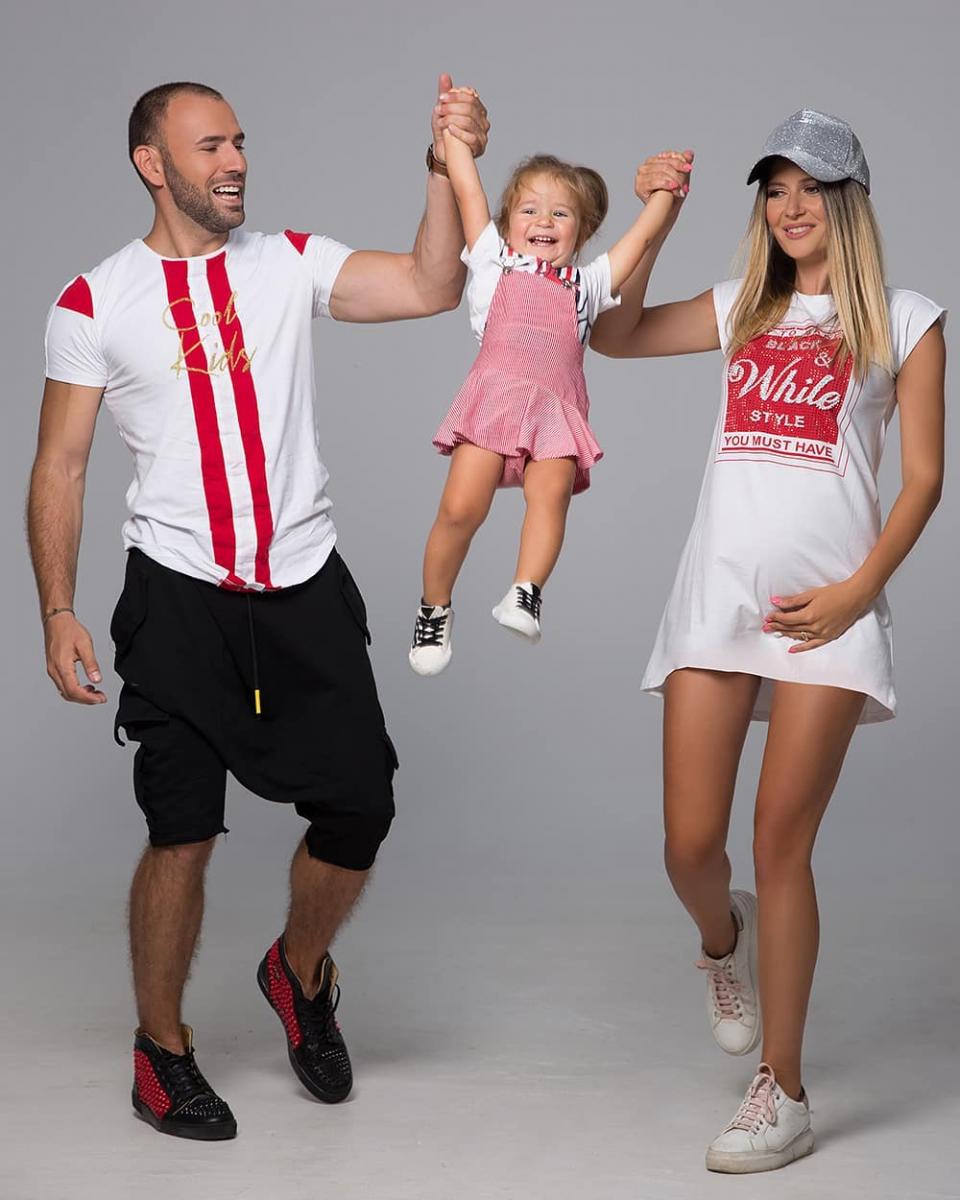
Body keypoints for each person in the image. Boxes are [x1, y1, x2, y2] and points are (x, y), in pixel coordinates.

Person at [27, 76, 489, 1141]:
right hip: (177, 597)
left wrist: (443, 165)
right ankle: (161, 1052)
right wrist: (57, 608)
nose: (234, 161)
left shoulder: (288, 262)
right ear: (152, 163)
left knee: (360, 806)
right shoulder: (93, 302)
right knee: (181, 830)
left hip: (303, 587)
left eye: (238, 141)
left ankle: (299, 971)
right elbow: (60, 464)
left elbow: (430, 283)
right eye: (209, 146)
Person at [591, 111, 946, 1173]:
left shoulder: (908, 319)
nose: (791, 207)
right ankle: (722, 940)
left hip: (827, 613)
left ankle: (783, 1091)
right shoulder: (743, 304)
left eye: (811, 188)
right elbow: (612, 334)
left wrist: (857, 595)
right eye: (775, 189)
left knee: (780, 840)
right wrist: (658, 217)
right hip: (718, 599)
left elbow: (925, 479)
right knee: (690, 845)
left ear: (849, 201)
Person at [408, 93, 683, 675]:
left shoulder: (589, 284)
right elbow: (468, 190)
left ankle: (525, 591)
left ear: (582, 230)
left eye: (561, 214)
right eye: (530, 210)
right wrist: (452, 126)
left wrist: (666, 191)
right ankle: (434, 608)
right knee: (460, 509)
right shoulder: (493, 261)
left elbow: (638, 242)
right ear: (506, 223)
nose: (543, 222)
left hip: (555, 410)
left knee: (551, 494)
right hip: (494, 404)